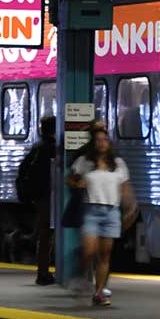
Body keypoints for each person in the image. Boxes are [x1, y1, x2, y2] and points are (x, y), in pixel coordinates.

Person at [68, 127, 135, 307]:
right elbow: (71, 179)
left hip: (111, 212)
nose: (101, 143)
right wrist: (77, 183)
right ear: (93, 143)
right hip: (91, 211)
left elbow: (125, 187)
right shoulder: (84, 162)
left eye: (104, 139)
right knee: (89, 250)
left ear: (109, 143)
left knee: (104, 256)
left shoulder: (118, 164)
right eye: (98, 140)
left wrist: (129, 207)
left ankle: (98, 293)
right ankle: (81, 276)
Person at [18, 116, 57, 286]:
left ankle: (43, 271)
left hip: (42, 196)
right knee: (46, 234)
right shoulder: (49, 148)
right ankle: (43, 273)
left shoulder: (38, 147)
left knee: (45, 233)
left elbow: (25, 169)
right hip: (48, 196)